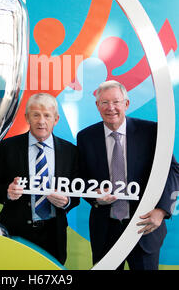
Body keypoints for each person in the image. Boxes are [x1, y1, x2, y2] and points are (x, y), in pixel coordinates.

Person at [76, 80, 179, 270]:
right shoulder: (85, 137)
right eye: (104, 102)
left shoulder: (151, 132)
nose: (111, 108)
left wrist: (162, 210)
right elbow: (82, 178)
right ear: (97, 106)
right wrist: (95, 197)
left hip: (144, 227)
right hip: (105, 231)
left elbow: (173, 171)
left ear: (126, 104)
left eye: (116, 101)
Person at [0, 93, 79, 265]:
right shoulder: (7, 148)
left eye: (47, 115)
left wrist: (66, 201)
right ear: (27, 117)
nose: (41, 121)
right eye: (35, 114)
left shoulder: (70, 152)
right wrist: (7, 192)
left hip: (54, 235)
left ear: (56, 119)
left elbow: (76, 194)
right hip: (16, 231)